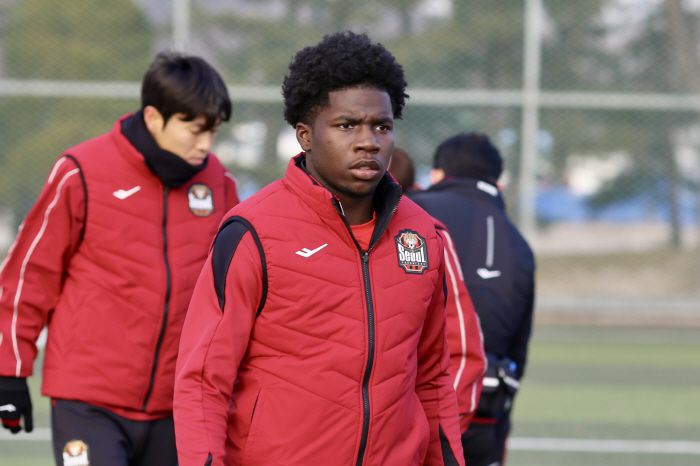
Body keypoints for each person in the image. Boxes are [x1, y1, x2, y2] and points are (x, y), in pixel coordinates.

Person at [174, 31, 465, 466]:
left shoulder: (423, 236)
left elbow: (433, 380)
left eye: (382, 126)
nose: (368, 141)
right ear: (305, 136)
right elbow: (203, 380)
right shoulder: (253, 232)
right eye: (347, 125)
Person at [0, 51, 239, 466]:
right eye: (195, 130)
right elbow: (29, 275)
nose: (205, 145)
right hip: (88, 402)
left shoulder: (218, 184)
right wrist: (9, 371)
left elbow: (234, 290)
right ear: (153, 117)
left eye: (213, 131)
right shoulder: (81, 171)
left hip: (175, 405)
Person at [409, 132, 536, 466]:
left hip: (418, 401)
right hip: (486, 407)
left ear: (437, 174)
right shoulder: (518, 243)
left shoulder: (415, 213)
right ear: (498, 182)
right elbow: (518, 350)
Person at [390, 147, 487, 432]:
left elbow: (463, 352)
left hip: (404, 437)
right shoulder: (278, 224)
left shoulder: (427, 233)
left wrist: (438, 436)